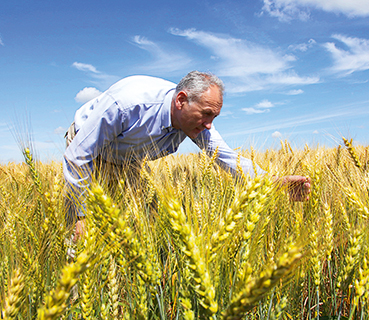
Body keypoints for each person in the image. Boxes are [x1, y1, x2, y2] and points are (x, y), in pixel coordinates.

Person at [64, 71, 311, 240]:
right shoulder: (127, 105)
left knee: (147, 222)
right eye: (206, 114)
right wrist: (81, 215)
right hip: (89, 149)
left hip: (126, 159)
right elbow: (78, 156)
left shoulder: (194, 122)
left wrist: (273, 183)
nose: (209, 125)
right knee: (81, 233)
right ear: (181, 100)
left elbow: (228, 159)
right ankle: (72, 300)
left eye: (214, 117)